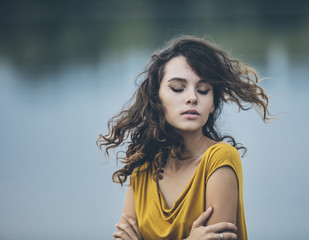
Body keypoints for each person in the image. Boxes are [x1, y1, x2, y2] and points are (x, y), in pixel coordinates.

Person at [97, 35, 270, 240]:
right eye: (178, 88)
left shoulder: (219, 159)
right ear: (156, 98)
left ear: (213, 104)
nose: (192, 97)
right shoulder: (142, 165)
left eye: (203, 90)